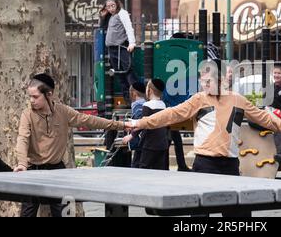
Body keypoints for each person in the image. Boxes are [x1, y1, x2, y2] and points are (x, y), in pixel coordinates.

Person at [125, 60, 281, 216]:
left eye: (207, 81)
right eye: (201, 81)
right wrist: (140, 123)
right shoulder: (198, 99)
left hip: (230, 164)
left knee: (239, 214)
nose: (204, 85)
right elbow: (171, 114)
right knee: (199, 214)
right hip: (204, 164)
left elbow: (264, 117)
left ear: (220, 80)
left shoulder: (238, 100)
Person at [14, 73, 126, 217]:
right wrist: (22, 164)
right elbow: (22, 138)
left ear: (49, 94)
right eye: (29, 96)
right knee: (26, 214)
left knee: (61, 213)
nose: (31, 101)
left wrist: (122, 125)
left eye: (35, 97)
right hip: (32, 171)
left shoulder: (63, 111)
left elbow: (89, 120)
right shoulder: (27, 114)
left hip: (57, 171)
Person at [123, 79, 169, 170]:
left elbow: (143, 124)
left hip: (149, 144)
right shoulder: (163, 105)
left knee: (144, 168)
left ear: (150, 90)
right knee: (160, 170)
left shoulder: (147, 106)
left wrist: (131, 136)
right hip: (162, 144)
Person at [104, 0, 137, 102]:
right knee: (119, 74)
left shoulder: (122, 13)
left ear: (117, 4)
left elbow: (129, 27)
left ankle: (137, 97)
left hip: (121, 47)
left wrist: (132, 42)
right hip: (112, 49)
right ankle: (127, 99)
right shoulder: (111, 16)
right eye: (108, 6)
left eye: (112, 5)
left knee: (128, 72)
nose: (110, 8)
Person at [121, 82, 146, 167]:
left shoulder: (138, 107)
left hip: (140, 141)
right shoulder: (143, 105)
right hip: (144, 141)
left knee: (136, 165)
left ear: (134, 93)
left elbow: (140, 123)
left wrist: (131, 135)